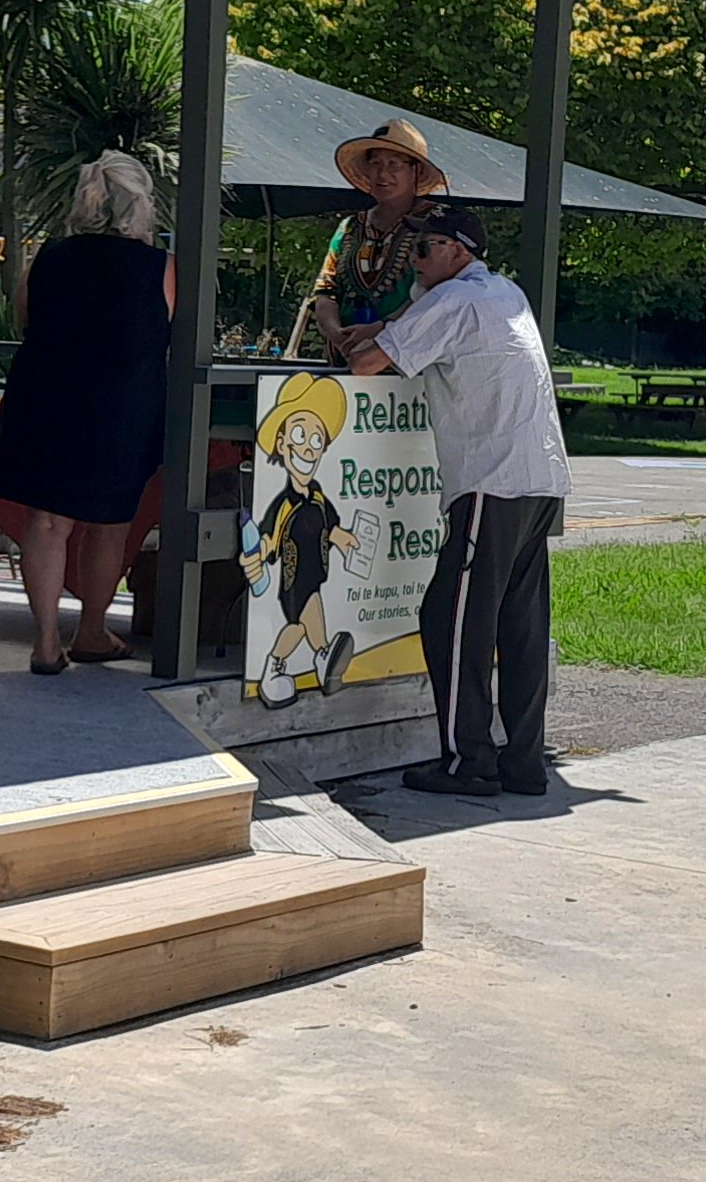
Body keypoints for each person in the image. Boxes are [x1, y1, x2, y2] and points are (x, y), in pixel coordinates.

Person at [343, 199, 568, 798]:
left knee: (452, 620)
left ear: (456, 253)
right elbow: (420, 332)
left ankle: (467, 760)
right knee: (519, 626)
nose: (410, 258)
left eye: (421, 248)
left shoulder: (453, 300)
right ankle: (524, 762)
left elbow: (366, 364)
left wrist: (346, 330)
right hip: (538, 478)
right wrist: (391, 327)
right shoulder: (502, 293)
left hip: (488, 483)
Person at [0, 149, 173, 673]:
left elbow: (25, 316)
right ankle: (91, 630)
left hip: (46, 394)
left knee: (46, 523)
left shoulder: (50, 256)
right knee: (108, 523)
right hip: (120, 405)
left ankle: (45, 642)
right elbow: (168, 330)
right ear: (140, 205)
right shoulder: (158, 267)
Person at [241, 370, 360, 702]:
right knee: (308, 614)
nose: (308, 447)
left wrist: (342, 538)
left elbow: (329, 525)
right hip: (294, 581)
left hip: (315, 574)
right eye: (299, 433)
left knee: (299, 627)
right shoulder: (283, 504)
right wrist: (257, 554)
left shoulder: (318, 495)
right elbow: (269, 537)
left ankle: (277, 666)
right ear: (281, 443)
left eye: (317, 439)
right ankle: (321, 656)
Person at [299, 119, 444, 361]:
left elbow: (442, 295)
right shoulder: (350, 227)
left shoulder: (438, 224)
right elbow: (325, 291)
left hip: (409, 369)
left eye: (393, 164)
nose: (382, 173)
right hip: (344, 364)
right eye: (375, 163)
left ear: (415, 170)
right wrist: (337, 334)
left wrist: (382, 329)